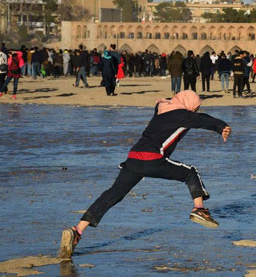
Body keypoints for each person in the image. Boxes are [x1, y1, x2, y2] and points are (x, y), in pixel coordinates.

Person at [58, 90, 232, 260]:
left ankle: (77, 231)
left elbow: (199, 117)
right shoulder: (182, 115)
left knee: (113, 194)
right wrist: (221, 126)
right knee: (190, 173)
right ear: (189, 104)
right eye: (195, 107)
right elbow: (200, 120)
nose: (195, 110)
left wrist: (217, 125)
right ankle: (199, 209)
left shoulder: (162, 110)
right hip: (152, 158)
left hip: (133, 159)